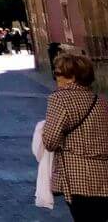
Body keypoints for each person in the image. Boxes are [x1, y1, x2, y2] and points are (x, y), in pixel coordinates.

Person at [42, 52, 108, 220]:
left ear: (71, 77)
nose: (56, 78)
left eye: (57, 74)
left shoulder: (59, 99)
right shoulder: (99, 100)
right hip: (103, 175)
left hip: (78, 178)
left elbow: (50, 141)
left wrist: (42, 131)